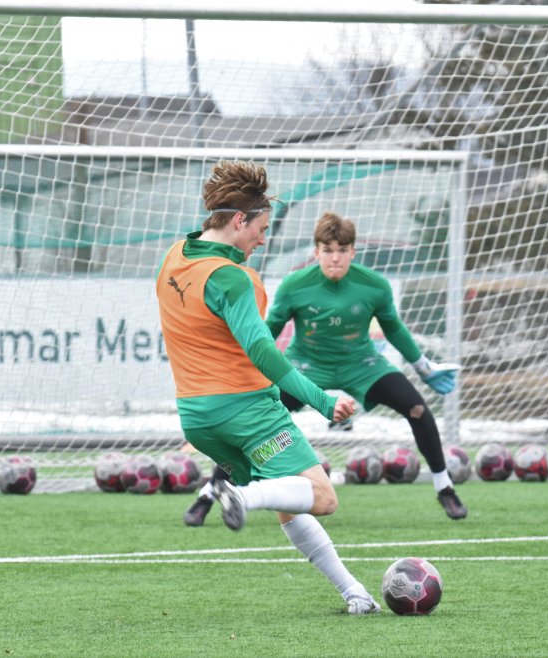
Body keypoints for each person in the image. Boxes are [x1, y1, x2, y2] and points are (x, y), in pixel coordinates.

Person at [155, 161, 381, 615]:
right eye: (261, 229)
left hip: (197, 419)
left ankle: (355, 593)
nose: (263, 240)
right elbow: (263, 353)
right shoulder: (235, 279)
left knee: (289, 501)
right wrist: (322, 400)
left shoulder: (176, 255)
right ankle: (240, 495)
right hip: (247, 411)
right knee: (322, 497)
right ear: (239, 220)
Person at [184, 211, 468, 525]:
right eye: (328, 250)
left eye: (342, 250)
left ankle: (445, 488)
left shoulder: (375, 286)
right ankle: (210, 492)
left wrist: (423, 366)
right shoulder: (295, 285)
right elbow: (269, 329)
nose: (335, 258)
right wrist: (241, 368)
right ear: (316, 251)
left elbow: (394, 328)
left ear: (353, 252)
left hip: (362, 365)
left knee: (418, 409)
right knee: (253, 423)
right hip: (306, 366)